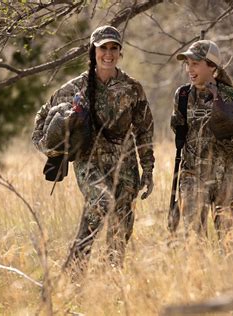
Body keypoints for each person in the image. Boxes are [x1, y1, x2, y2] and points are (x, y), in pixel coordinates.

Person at [32, 25, 155, 277]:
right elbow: (42, 121)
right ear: (93, 51)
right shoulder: (74, 88)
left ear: (120, 52)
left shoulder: (132, 88)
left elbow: (144, 130)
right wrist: (52, 151)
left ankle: (112, 280)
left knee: (121, 225)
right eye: (103, 48)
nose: (108, 54)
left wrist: (148, 169)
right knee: (100, 201)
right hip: (90, 162)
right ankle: (74, 272)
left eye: (113, 48)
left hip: (126, 165)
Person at [171, 40, 233, 247]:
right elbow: (178, 127)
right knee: (193, 241)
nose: (190, 69)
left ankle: (228, 278)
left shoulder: (230, 95)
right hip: (192, 178)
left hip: (226, 178)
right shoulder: (182, 96)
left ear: (212, 67)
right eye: (187, 64)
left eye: (195, 64)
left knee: (229, 242)